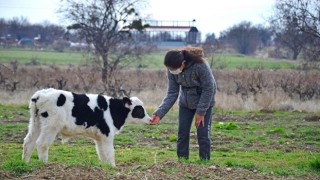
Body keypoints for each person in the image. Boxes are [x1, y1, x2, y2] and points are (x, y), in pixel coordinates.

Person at [150, 47, 217, 161]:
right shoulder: (172, 69)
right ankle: (182, 161)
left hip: (204, 101)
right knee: (182, 132)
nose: (171, 71)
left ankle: (205, 162)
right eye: (169, 69)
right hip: (185, 103)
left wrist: (201, 112)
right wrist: (159, 113)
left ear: (183, 63)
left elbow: (209, 88)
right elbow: (172, 93)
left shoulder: (200, 65)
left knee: (203, 133)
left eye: (173, 69)